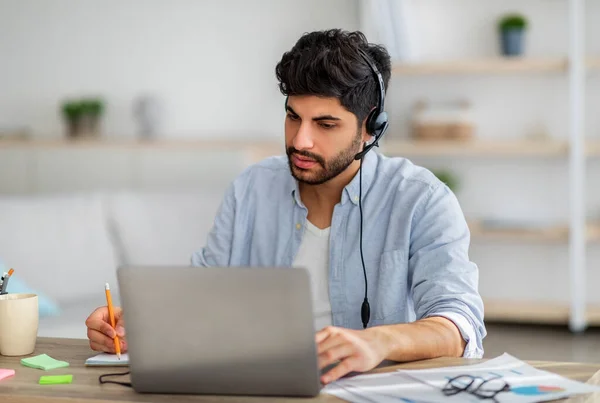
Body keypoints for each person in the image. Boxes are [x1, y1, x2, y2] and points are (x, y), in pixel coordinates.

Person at [85, 29, 486, 385]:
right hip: (256, 388)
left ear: (371, 127)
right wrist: (139, 324)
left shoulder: (421, 199)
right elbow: (204, 293)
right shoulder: (252, 188)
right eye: (293, 117)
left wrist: (377, 341)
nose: (301, 141)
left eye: (325, 125)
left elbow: (460, 326)